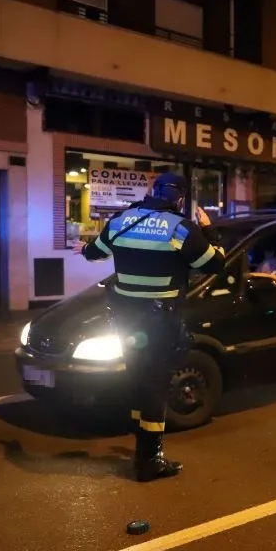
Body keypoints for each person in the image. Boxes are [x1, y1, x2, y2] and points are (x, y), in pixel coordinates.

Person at [73, 172, 225, 482]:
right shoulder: (180, 228)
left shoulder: (121, 221)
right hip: (160, 320)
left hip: (127, 319)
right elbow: (214, 264)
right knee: (155, 383)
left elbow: (93, 253)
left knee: (136, 378)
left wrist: (84, 246)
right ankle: (149, 460)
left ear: (152, 190)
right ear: (179, 198)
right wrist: (210, 231)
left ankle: (139, 442)